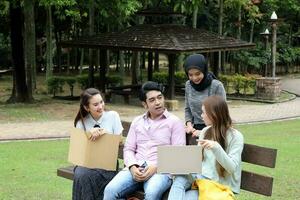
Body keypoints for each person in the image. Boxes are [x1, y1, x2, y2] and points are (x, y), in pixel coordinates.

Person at [103, 81, 186, 200]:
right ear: (145, 104)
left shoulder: (174, 122)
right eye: (152, 100)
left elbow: (178, 153)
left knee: (152, 193)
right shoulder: (137, 122)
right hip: (136, 168)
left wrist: (156, 167)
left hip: (161, 172)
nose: (157, 102)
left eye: (160, 98)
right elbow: (129, 149)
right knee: (110, 191)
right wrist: (132, 166)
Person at [168, 95, 244, 200]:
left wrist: (216, 148)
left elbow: (231, 168)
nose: (201, 116)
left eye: (203, 112)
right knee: (179, 179)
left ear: (213, 114)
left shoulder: (236, 137)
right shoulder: (205, 131)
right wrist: (179, 167)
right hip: (200, 180)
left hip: (218, 187)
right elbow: (197, 161)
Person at [72, 88, 123, 200]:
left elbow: (120, 141)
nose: (100, 106)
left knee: (82, 175)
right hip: (87, 164)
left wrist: (106, 134)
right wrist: (88, 135)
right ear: (86, 107)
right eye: (95, 104)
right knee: (81, 173)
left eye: (101, 102)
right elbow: (78, 152)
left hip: (108, 165)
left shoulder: (113, 116)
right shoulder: (82, 122)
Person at [184, 54, 226, 139]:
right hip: (194, 130)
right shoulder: (188, 85)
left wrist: (204, 132)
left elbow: (222, 114)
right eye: (190, 75)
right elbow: (187, 108)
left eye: (197, 74)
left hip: (214, 130)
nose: (194, 78)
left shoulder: (216, 86)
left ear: (204, 70)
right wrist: (189, 125)